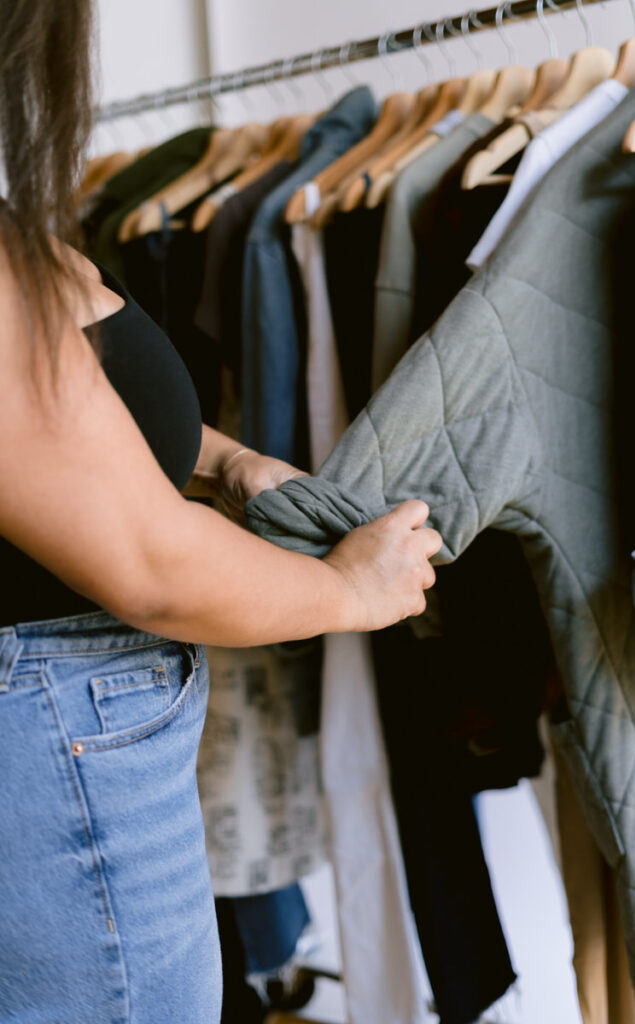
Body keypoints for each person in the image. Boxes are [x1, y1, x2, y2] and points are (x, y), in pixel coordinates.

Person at [0, 2, 441, 1021]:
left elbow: (66, 433)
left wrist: (228, 458)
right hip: (58, 741)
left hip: (67, 736)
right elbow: (150, 562)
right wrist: (348, 587)